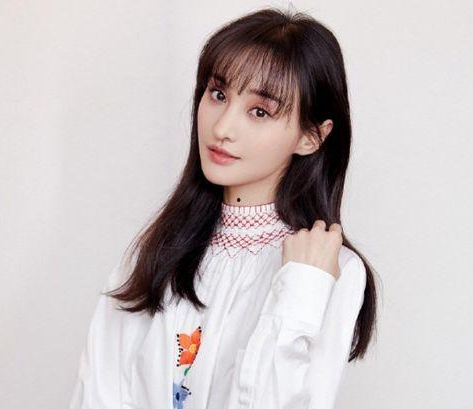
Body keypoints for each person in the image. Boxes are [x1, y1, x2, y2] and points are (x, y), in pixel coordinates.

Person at [69, 6, 378, 409]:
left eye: (259, 111)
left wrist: (301, 289)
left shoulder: (328, 271)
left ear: (311, 137)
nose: (222, 128)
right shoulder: (157, 250)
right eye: (218, 94)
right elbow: (97, 395)